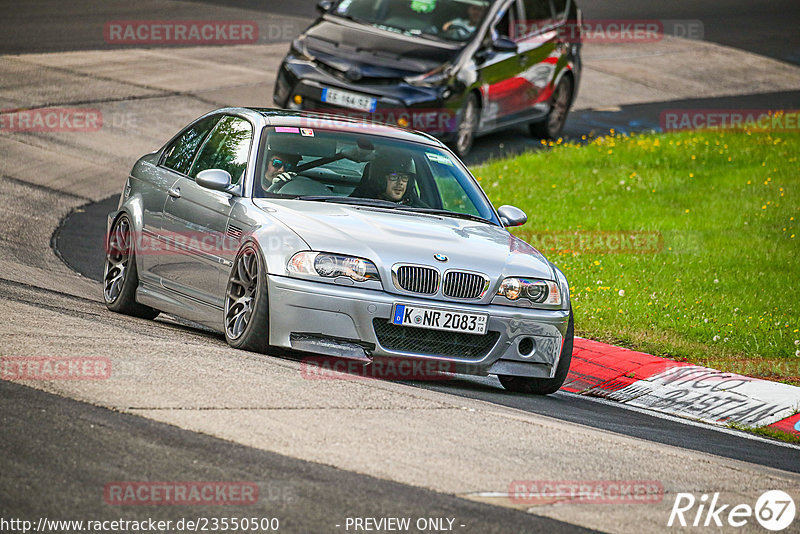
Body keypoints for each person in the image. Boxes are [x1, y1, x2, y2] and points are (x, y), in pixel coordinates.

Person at [350, 152, 426, 206]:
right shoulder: (359, 204)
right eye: (394, 177)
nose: (400, 183)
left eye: (404, 178)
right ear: (380, 180)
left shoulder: (419, 210)